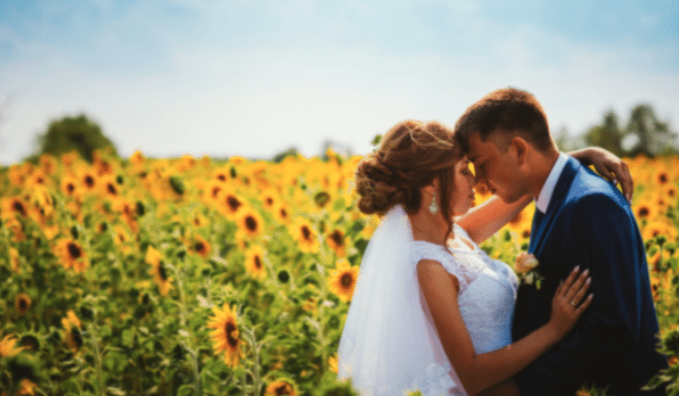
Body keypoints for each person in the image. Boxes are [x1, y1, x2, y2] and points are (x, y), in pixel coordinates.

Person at [337, 119, 633, 395]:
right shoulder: (429, 267)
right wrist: (553, 330)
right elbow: (471, 375)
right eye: (464, 169)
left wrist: (579, 156)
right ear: (430, 183)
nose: (475, 181)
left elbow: (526, 185)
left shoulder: (456, 234)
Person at [454, 87, 669, 395]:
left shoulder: (590, 203)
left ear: (518, 149)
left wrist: (520, 388)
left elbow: (611, 328)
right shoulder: (554, 197)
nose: (480, 181)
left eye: (481, 163)